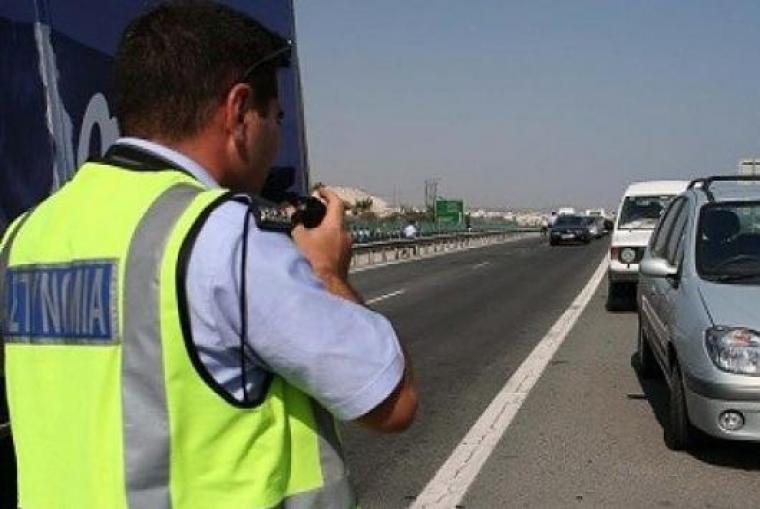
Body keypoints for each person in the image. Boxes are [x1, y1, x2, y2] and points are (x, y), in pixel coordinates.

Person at [0, 2, 416, 508]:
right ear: (239, 111)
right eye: (276, 117)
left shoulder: (24, 236)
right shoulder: (224, 235)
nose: (277, 134)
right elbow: (391, 402)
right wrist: (326, 270)